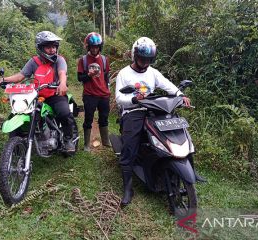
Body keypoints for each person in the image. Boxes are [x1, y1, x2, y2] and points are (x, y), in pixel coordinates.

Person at [115, 37, 206, 207]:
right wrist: (134, 99)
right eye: (142, 58)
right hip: (133, 110)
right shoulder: (124, 73)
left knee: (176, 129)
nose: (145, 62)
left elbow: (167, 85)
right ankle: (128, 188)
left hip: (153, 108)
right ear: (135, 56)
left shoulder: (153, 72)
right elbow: (119, 98)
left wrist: (180, 95)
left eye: (149, 59)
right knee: (129, 146)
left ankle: (188, 166)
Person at [0, 31, 75, 152]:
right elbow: (21, 76)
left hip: (55, 94)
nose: (52, 50)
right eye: (48, 47)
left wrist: (62, 83)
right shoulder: (34, 61)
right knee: (20, 113)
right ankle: (19, 145)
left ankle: (68, 139)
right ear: (40, 48)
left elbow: (62, 73)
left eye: (54, 47)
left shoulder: (59, 60)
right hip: (36, 95)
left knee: (64, 112)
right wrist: (4, 79)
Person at [77, 32, 111, 152]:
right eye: (92, 47)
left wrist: (108, 89)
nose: (95, 49)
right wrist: (89, 75)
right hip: (90, 94)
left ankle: (106, 141)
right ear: (88, 47)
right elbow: (80, 78)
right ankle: (86, 144)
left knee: (104, 118)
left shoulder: (104, 59)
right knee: (88, 119)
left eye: (97, 47)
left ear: (100, 47)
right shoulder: (83, 60)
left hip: (104, 94)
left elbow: (106, 76)